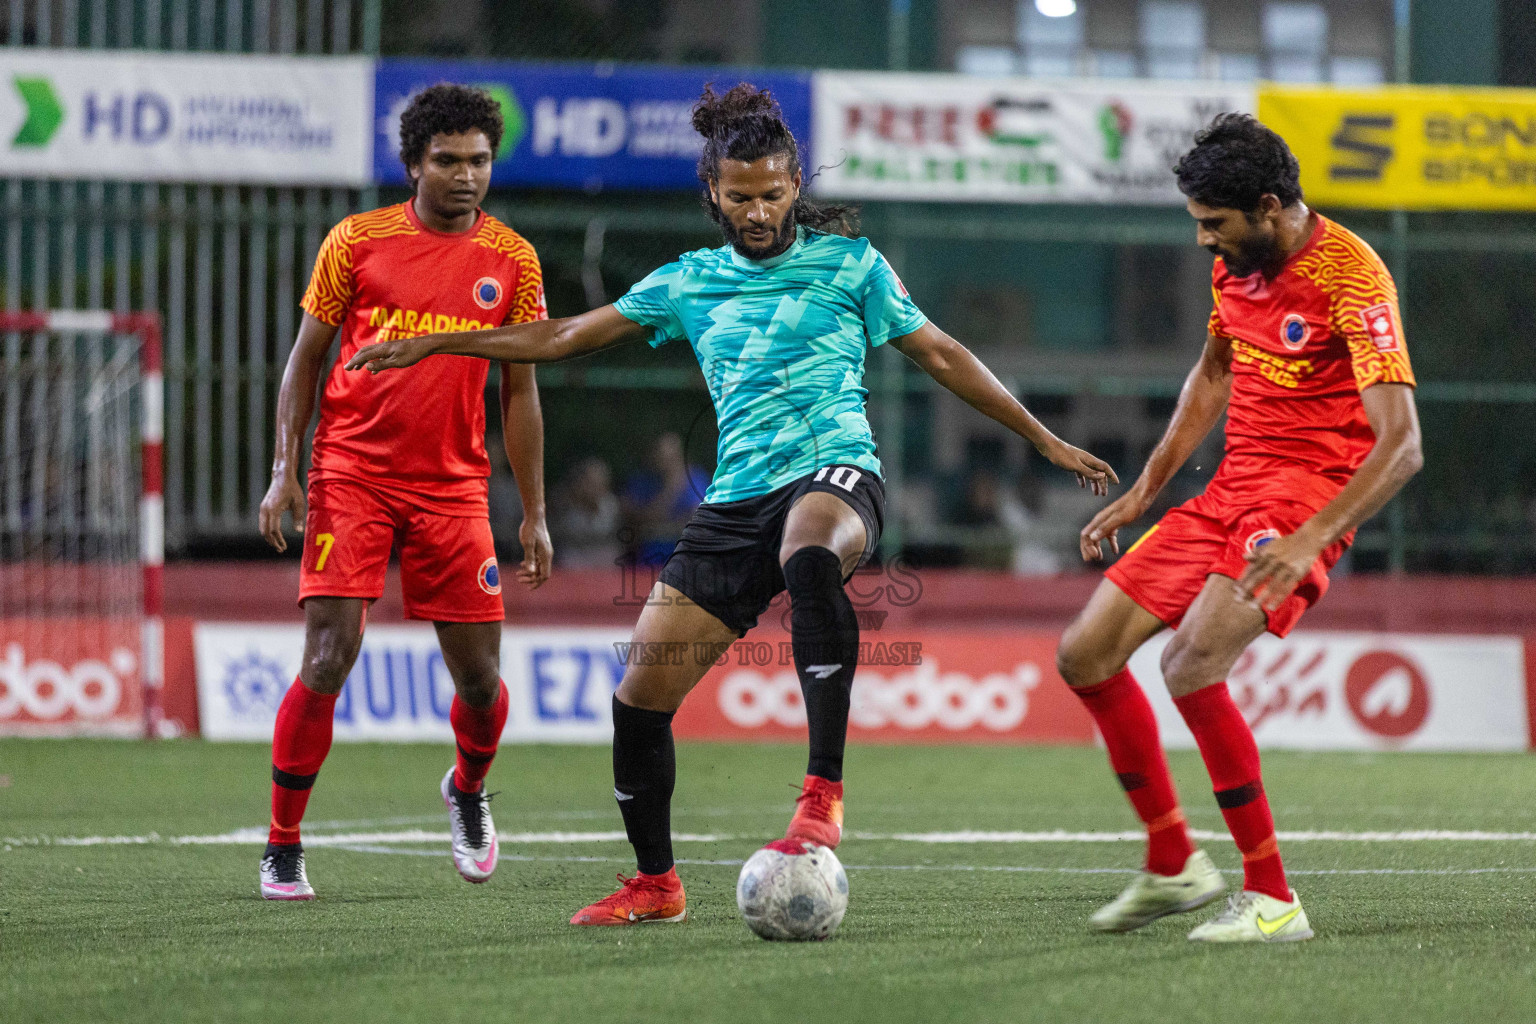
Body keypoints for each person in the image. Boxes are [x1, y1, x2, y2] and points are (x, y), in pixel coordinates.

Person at [347, 82, 1116, 926]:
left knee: (811, 552)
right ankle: (656, 885)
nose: (758, 211)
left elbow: (941, 354)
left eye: (774, 193)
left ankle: (823, 793)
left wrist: (1042, 439)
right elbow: (561, 336)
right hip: (733, 504)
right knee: (639, 699)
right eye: (741, 195)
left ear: (796, 186)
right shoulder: (688, 281)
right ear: (713, 192)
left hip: (834, 474)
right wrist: (438, 341)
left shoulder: (850, 263)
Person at [1056, 113, 1422, 943]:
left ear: (1268, 206)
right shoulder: (1237, 268)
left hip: (1300, 504)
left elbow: (1402, 447)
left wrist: (1308, 539)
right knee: (1084, 654)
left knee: (1190, 663)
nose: (1202, 243)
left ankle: (1274, 900)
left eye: (1213, 225)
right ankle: (1173, 862)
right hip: (1227, 494)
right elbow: (1215, 370)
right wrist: (1148, 487)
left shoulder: (1351, 278)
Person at [254, 84, 553, 900]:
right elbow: (304, 362)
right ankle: (282, 842)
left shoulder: (513, 260)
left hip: (455, 489)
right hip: (350, 472)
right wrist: (286, 469)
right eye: (447, 161)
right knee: (327, 654)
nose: (466, 176)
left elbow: (519, 391)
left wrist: (533, 512)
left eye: (479, 161)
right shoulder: (357, 240)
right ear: (415, 164)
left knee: (482, 682)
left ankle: (467, 789)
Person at [621, 432, 711, 565]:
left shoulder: (696, 478)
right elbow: (635, 517)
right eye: (662, 456)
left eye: (670, 457)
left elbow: (698, 520)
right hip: (650, 549)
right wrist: (672, 488)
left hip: (685, 548)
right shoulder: (645, 480)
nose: (665, 461)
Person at [551, 456, 623, 569]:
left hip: (603, 555)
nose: (595, 488)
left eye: (600, 483)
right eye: (591, 483)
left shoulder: (612, 505)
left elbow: (615, 536)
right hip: (574, 555)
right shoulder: (564, 505)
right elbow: (561, 536)